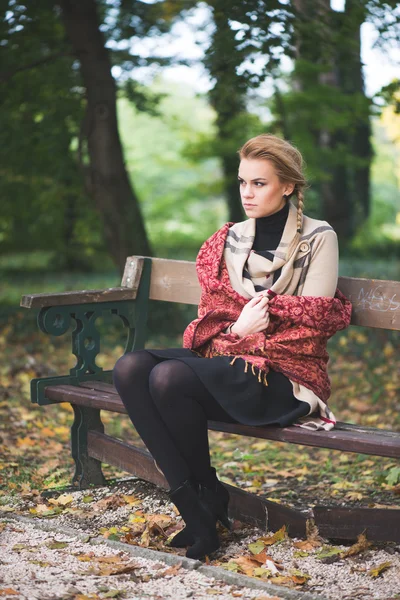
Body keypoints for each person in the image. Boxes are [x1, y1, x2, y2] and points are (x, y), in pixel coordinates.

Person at [112, 134, 352, 561]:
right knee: (131, 367)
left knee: (169, 376)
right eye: (243, 182)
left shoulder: (319, 238)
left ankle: (204, 510)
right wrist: (239, 330)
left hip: (284, 376)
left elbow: (313, 323)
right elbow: (210, 319)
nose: (247, 192)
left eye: (259, 183)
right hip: (227, 359)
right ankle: (199, 506)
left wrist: (247, 328)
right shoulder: (229, 240)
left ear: (289, 186)